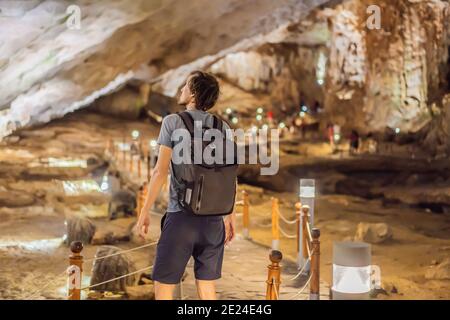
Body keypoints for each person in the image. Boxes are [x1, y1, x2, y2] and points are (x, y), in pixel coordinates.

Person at [135, 71, 236, 300]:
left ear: (194, 94)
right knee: (207, 286)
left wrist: (145, 212)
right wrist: (230, 215)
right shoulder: (224, 128)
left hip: (181, 216)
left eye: (186, 86)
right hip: (214, 220)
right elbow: (228, 175)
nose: (181, 89)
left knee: (164, 286)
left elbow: (160, 171)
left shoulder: (173, 122)